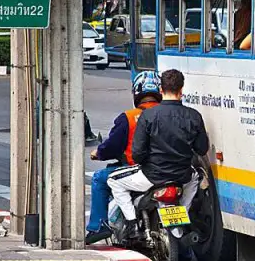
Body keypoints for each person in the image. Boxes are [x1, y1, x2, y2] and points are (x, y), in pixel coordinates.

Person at [107, 69, 209, 246]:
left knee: (113, 180)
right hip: (182, 177)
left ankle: (131, 224)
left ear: (161, 90)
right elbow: (201, 149)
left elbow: (138, 154)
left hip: (152, 177)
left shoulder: (148, 116)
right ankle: (181, 215)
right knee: (195, 178)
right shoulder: (194, 116)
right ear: (181, 90)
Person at [84, 71, 162, 245]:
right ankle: (186, 252)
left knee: (99, 179)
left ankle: (98, 226)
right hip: (172, 170)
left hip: (137, 171)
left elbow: (112, 146)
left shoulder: (129, 117)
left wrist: (99, 153)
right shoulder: (167, 115)